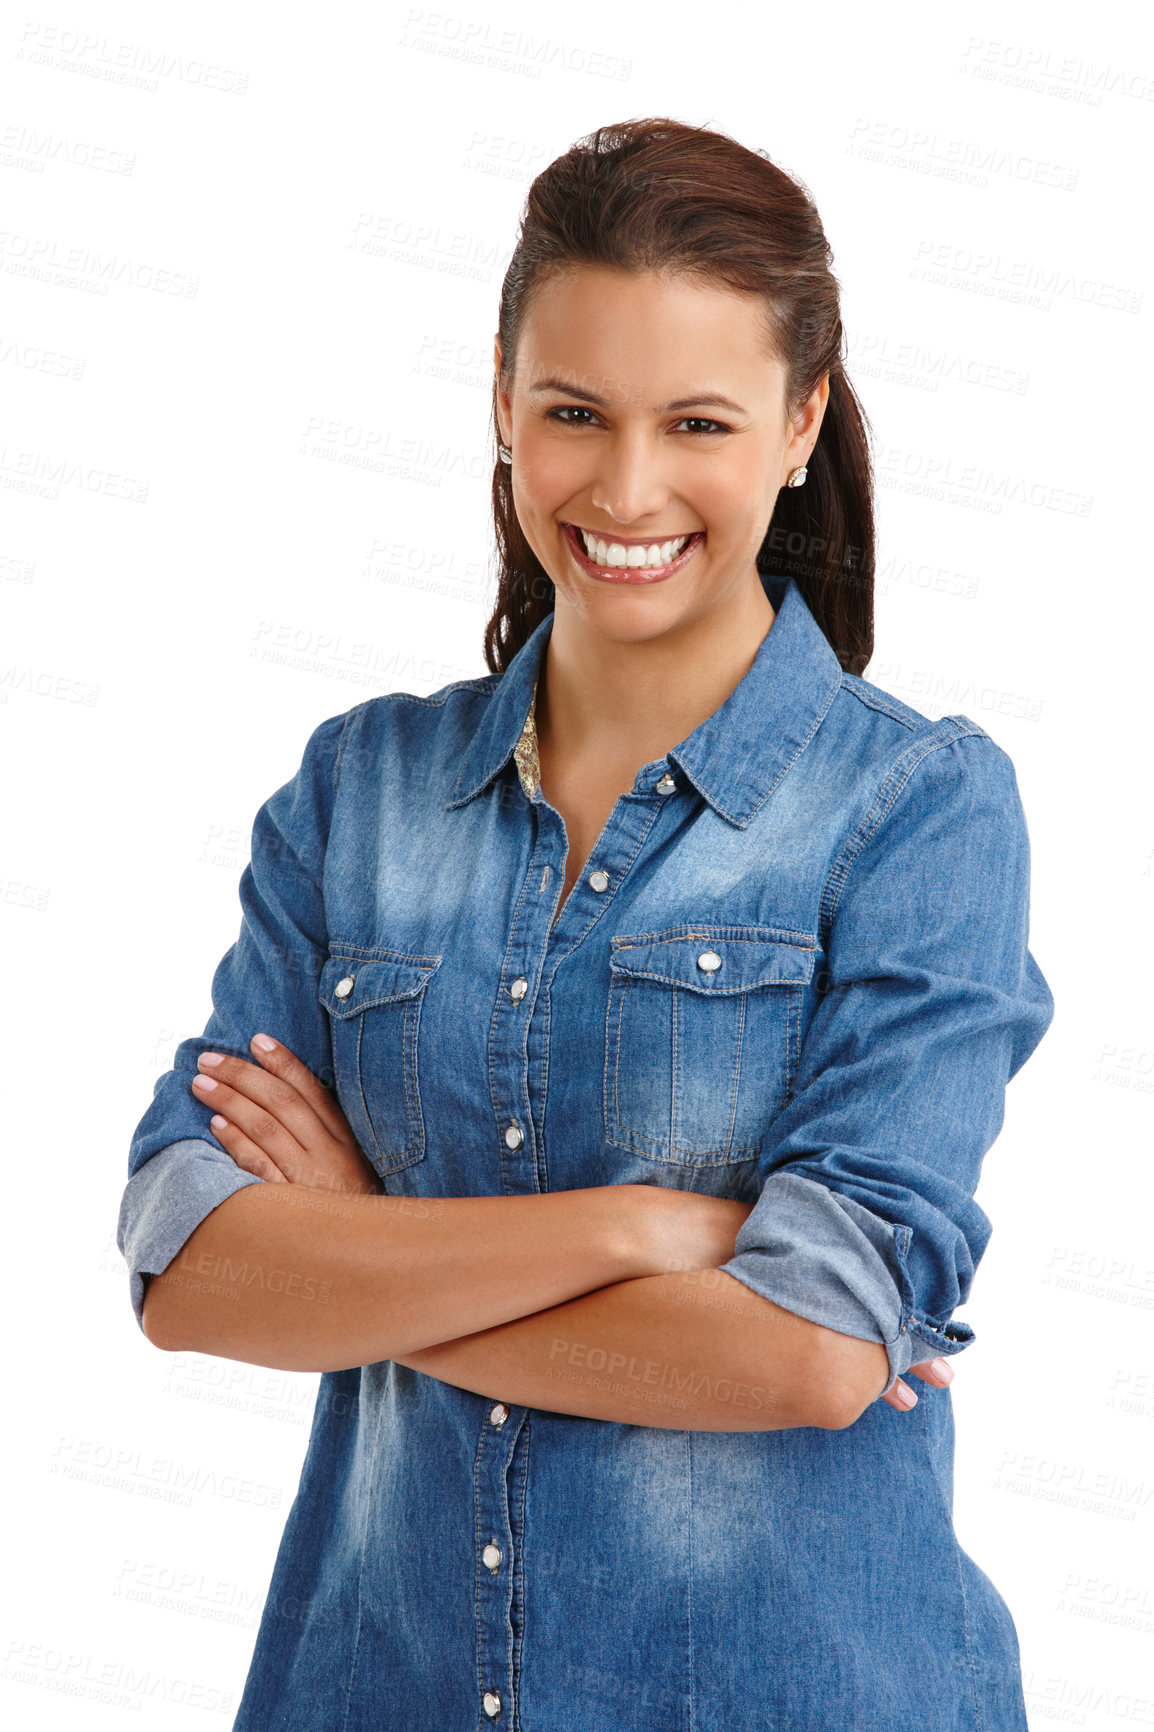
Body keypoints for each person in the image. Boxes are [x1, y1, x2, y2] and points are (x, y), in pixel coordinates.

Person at [117, 117, 1055, 1730]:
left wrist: (369, 1258)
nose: (624, 488)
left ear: (797, 421)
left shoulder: (915, 809)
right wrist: (639, 1229)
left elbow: (811, 1357)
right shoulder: (361, 791)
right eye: (571, 413)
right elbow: (189, 1272)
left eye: (696, 419)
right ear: (500, 400)